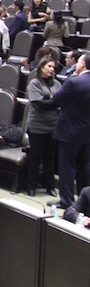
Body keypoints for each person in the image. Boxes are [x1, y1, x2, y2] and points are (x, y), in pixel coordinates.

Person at [51, 52, 90, 209]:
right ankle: (84, 201)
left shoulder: (74, 82)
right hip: (87, 133)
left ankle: (66, 201)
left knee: (67, 168)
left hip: (69, 132)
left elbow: (56, 99)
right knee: (84, 168)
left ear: (83, 64)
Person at [25, 58, 62, 197]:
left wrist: (52, 102)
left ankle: (50, 186)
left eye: (53, 67)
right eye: (49, 66)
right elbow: (38, 103)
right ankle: (31, 186)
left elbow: (61, 100)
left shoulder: (57, 84)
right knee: (35, 157)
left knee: (50, 157)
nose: (52, 69)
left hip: (53, 125)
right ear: (41, 67)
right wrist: (54, 103)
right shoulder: (34, 83)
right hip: (37, 126)